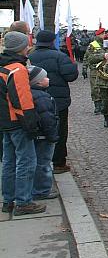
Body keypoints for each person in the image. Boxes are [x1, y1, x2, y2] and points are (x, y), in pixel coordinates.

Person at [1, 31, 45, 216]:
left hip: (5, 123)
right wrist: (31, 124)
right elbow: (22, 100)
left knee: (8, 163)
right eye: (26, 44)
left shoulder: (3, 67)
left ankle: (8, 200)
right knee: (26, 162)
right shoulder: (17, 70)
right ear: (21, 47)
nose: (29, 47)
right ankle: (23, 202)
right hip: (18, 122)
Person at [28, 29, 78, 174]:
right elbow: (71, 75)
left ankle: (39, 161)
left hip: (35, 99)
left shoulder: (30, 56)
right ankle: (58, 162)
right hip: (58, 99)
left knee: (39, 129)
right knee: (60, 130)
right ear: (52, 41)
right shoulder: (60, 56)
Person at [27, 66, 60, 200]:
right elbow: (47, 119)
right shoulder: (42, 97)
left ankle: (36, 188)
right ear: (38, 82)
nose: (48, 78)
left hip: (38, 135)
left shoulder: (34, 93)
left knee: (37, 161)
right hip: (44, 136)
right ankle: (42, 190)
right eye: (45, 77)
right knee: (43, 163)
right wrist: (53, 136)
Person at [85, 28, 108, 119]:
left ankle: (104, 106)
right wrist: (84, 68)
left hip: (107, 70)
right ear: (98, 35)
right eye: (102, 33)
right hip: (95, 70)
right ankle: (97, 106)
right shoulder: (93, 45)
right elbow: (88, 57)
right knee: (95, 88)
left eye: (105, 33)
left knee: (105, 90)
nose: (104, 35)